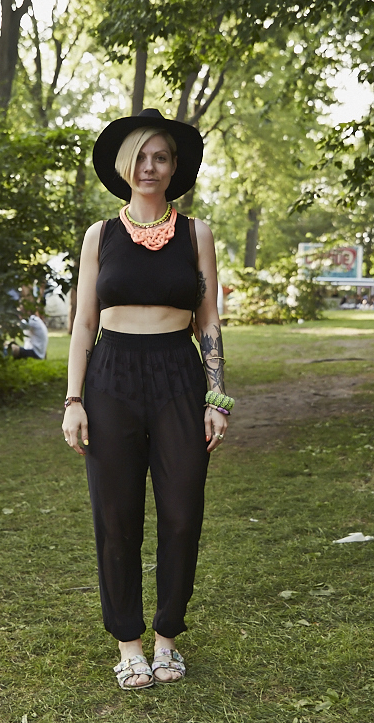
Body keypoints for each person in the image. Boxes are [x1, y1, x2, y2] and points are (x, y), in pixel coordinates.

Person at [61, 108, 233, 690]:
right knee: (117, 518)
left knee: (182, 514)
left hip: (178, 377)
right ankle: (129, 643)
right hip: (112, 376)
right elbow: (83, 322)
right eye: (140, 156)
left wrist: (216, 394)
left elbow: (207, 320)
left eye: (160, 156)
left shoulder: (196, 234)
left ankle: (167, 639)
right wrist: (73, 400)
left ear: (175, 167)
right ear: (124, 166)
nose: (149, 166)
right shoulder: (100, 236)